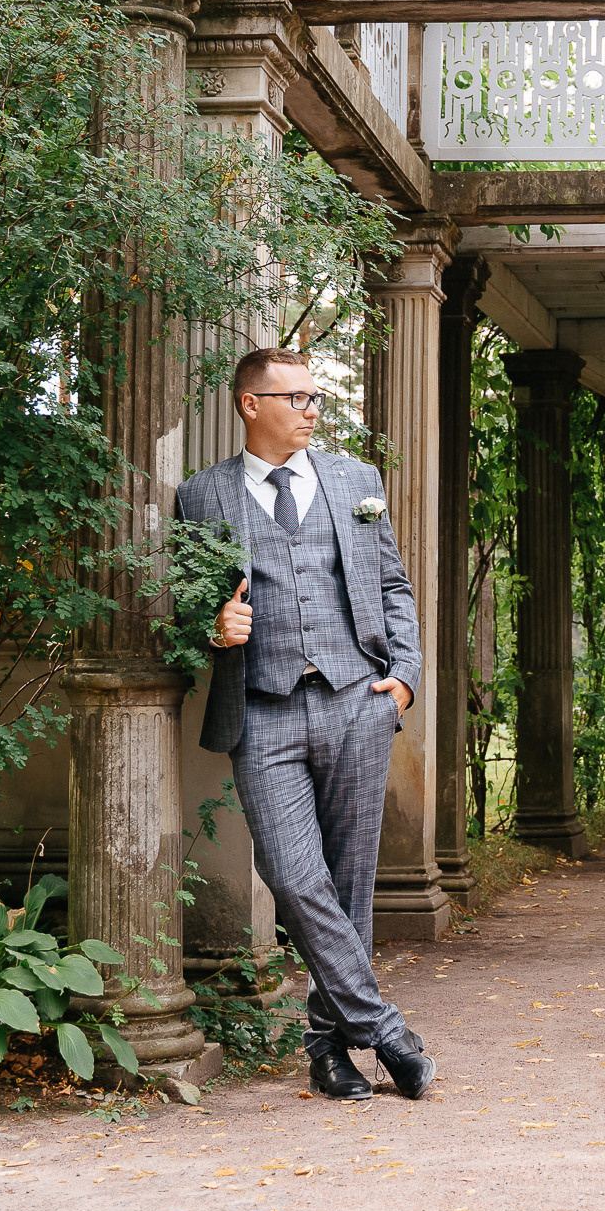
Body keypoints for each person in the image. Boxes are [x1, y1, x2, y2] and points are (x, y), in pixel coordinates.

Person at [176, 346, 436, 1103]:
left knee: (349, 886)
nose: (312, 410)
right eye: (296, 397)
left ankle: (328, 1053)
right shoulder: (204, 494)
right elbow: (190, 602)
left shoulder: (357, 482)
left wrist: (405, 681)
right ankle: (384, 1029)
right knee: (294, 876)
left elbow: (393, 582)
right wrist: (214, 623)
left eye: (317, 397)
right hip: (262, 710)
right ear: (251, 405)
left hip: (357, 700)